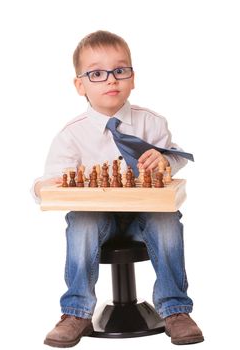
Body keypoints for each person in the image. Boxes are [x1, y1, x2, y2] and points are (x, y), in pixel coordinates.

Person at [33, 30, 204, 347]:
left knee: (167, 219)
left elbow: (175, 159)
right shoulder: (70, 136)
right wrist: (46, 186)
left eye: (120, 71)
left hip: (145, 215)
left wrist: (165, 160)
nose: (111, 80)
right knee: (82, 221)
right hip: (97, 220)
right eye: (97, 73)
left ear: (133, 78)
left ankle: (176, 309)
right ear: (80, 85)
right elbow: (49, 182)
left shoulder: (152, 123)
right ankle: (77, 312)